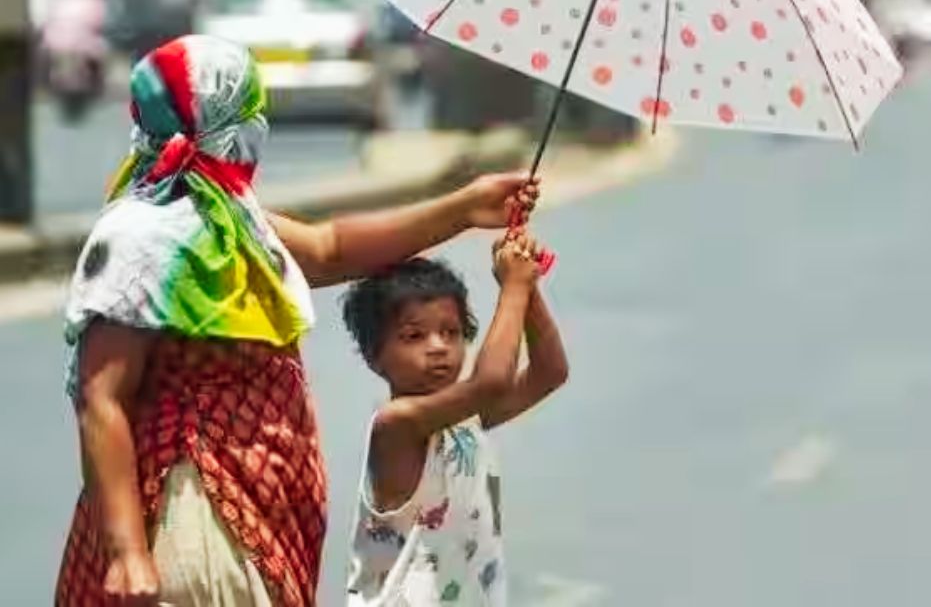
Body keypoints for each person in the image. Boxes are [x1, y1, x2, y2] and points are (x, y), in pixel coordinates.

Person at [54, 35, 539, 606]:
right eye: (249, 111)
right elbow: (100, 398)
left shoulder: (231, 216)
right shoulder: (140, 234)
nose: (258, 126)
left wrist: (463, 208)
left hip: (255, 508)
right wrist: (127, 552)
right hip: (191, 506)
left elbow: (329, 249)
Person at [342, 234, 567, 606]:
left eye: (451, 332)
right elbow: (491, 382)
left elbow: (550, 371)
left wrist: (527, 287)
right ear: (373, 356)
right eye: (414, 336)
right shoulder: (396, 425)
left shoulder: (465, 418)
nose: (438, 347)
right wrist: (514, 286)